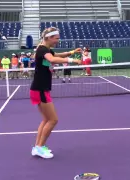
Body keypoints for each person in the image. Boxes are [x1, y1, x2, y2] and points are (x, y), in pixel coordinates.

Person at [30, 27, 82, 159]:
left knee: (46, 119)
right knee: (53, 120)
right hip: (40, 89)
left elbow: (58, 55)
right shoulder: (42, 49)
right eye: (56, 38)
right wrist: (72, 61)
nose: (58, 40)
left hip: (40, 88)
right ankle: (40, 148)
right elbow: (52, 60)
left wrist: (72, 52)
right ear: (49, 38)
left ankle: (37, 147)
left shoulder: (46, 50)